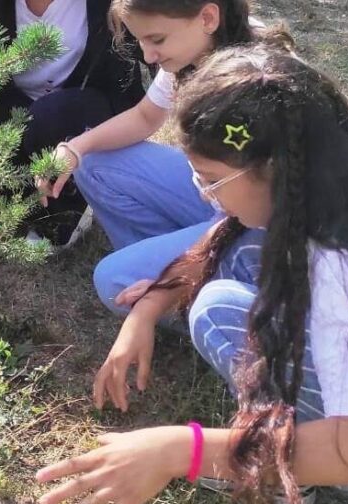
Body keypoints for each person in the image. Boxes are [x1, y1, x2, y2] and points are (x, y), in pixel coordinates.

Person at [36, 45, 348, 504]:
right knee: (234, 273)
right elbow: (237, 239)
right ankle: (299, 451)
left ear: (272, 168)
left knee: (221, 312)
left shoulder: (347, 260)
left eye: (211, 180)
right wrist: (153, 302)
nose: (207, 197)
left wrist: (185, 450)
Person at [34, 0, 280, 307]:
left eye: (157, 40)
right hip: (221, 198)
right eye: (141, 40)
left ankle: (220, 299)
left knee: (115, 282)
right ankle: (166, 265)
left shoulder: (261, 77)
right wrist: (75, 148)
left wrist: (180, 272)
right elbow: (146, 116)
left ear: (207, 17)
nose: (148, 56)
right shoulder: (195, 47)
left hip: (263, 221)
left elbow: (266, 205)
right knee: (92, 161)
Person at [0, 0, 146, 244]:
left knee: (52, 114)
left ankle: (68, 209)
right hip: (17, 110)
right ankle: (27, 196)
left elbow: (164, 39)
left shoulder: (109, 4)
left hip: (83, 112)